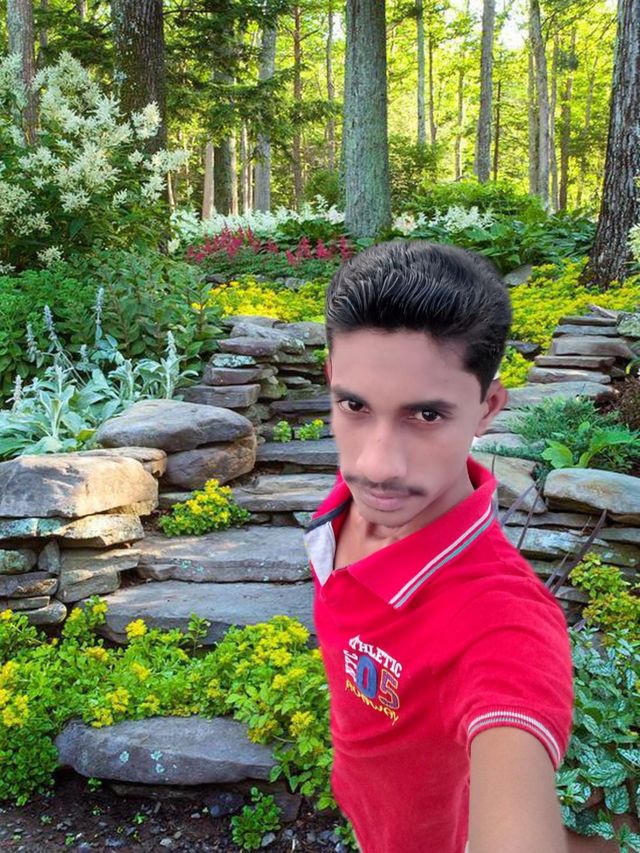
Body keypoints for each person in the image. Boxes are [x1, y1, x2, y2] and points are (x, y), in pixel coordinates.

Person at [303, 240, 574, 853]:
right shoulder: (348, 507)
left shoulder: (500, 619)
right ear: (332, 381)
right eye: (355, 405)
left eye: (426, 416)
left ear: (488, 407)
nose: (377, 466)